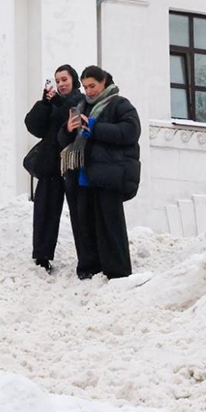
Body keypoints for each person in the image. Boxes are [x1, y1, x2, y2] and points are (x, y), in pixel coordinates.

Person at [58, 64, 141, 280]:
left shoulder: (119, 104)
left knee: (109, 223)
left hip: (109, 174)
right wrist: (68, 128)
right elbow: (63, 140)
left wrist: (95, 127)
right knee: (83, 222)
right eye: (85, 87)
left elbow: (131, 131)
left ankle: (117, 271)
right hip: (84, 172)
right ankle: (88, 268)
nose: (88, 91)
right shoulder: (82, 105)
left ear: (104, 82)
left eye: (92, 86)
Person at [24, 64, 80, 271]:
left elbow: (73, 112)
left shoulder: (79, 99)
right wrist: (44, 104)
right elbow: (33, 126)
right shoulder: (54, 103)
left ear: (74, 80)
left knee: (79, 212)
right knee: (45, 212)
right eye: (57, 81)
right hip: (50, 165)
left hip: (73, 164)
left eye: (64, 79)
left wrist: (56, 100)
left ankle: (86, 256)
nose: (61, 84)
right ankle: (42, 256)